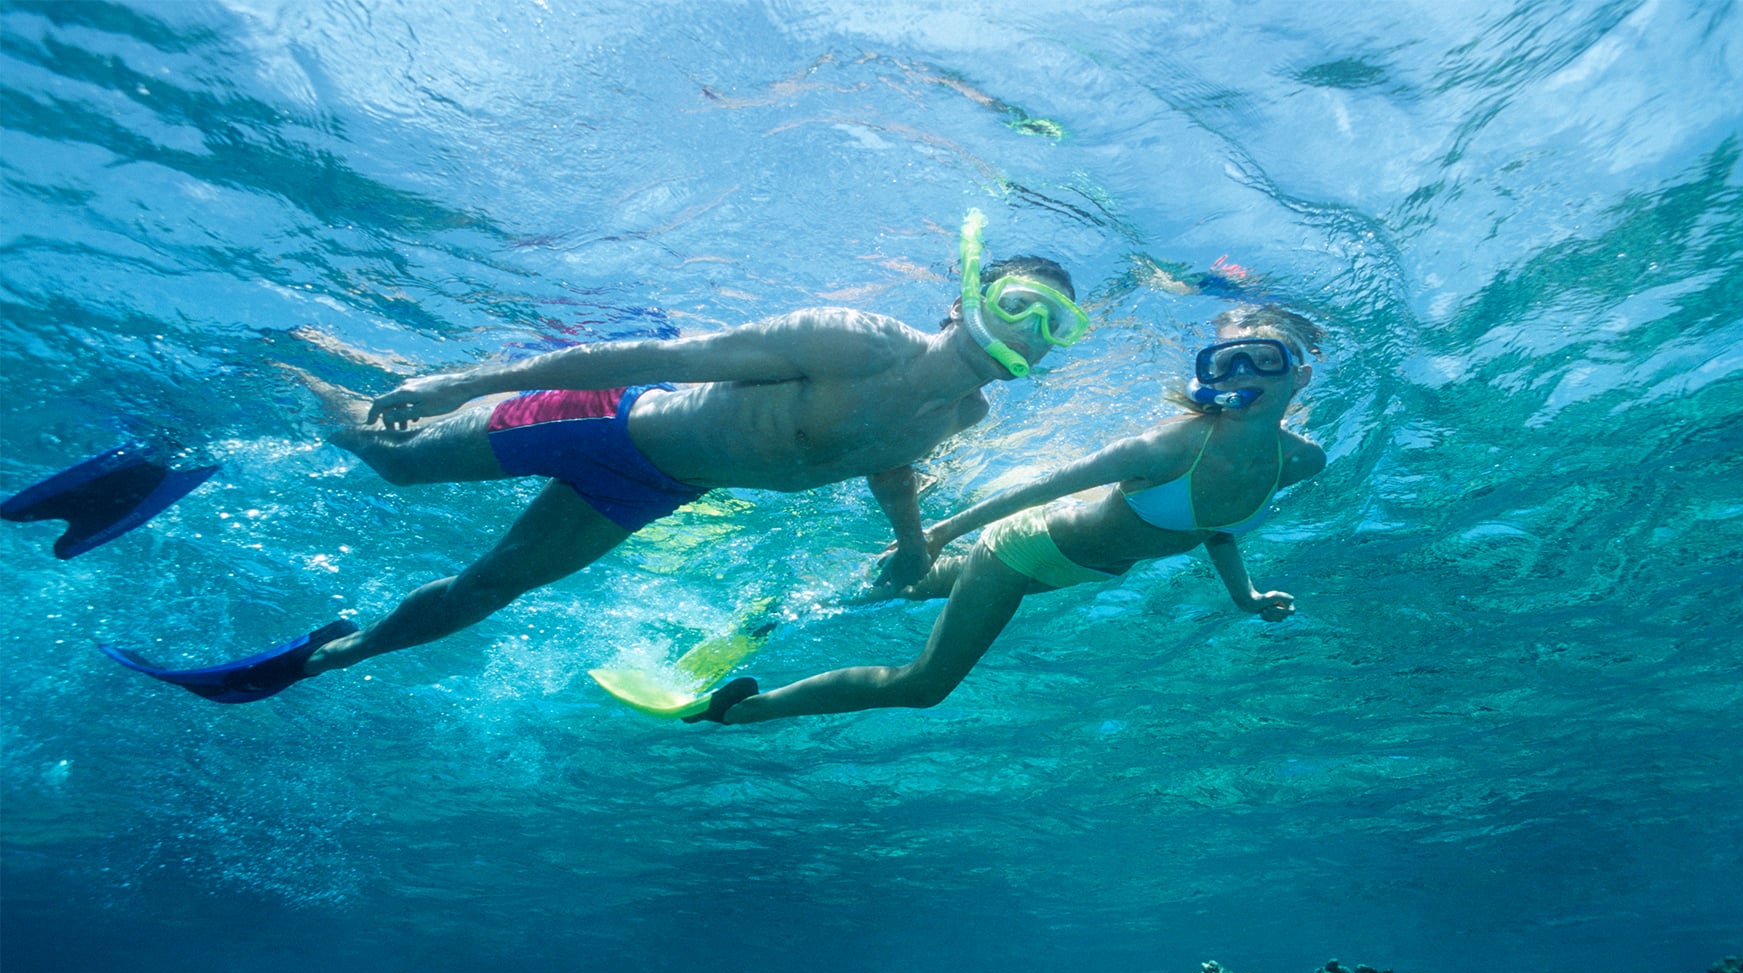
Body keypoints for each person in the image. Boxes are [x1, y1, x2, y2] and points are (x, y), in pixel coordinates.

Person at [100, 211, 1090, 705]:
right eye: (1014, 304)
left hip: (657, 485)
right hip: (607, 419)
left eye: (1053, 324)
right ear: (964, 295)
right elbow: (649, 356)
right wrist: (455, 385)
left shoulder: (959, 419)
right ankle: (281, 371)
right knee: (386, 455)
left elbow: (888, 467)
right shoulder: (850, 340)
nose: (1028, 330)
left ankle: (329, 654)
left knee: (488, 591)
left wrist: (911, 544)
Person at [706, 304, 1327, 725]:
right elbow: (1046, 486)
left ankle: (783, 611)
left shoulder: (1301, 462)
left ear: (1297, 377)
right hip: (1021, 549)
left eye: (1263, 360)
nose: (1242, 373)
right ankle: (740, 712)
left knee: (902, 591)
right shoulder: (1167, 447)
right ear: (1208, 377)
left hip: (1072, 571)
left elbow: (1215, 527)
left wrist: (1244, 597)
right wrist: (937, 532)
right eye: (1225, 363)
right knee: (923, 687)